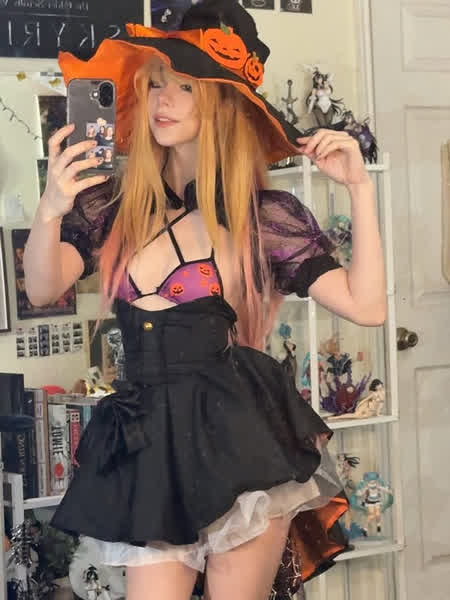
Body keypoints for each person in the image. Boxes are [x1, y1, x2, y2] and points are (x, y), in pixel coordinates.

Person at [23, 1, 386, 599]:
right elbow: (41, 288)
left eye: (185, 86)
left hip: (238, 442)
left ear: (221, 102)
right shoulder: (111, 206)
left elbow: (367, 307)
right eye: (156, 84)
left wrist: (360, 189)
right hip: (148, 443)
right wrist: (49, 209)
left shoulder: (261, 216)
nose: (162, 100)